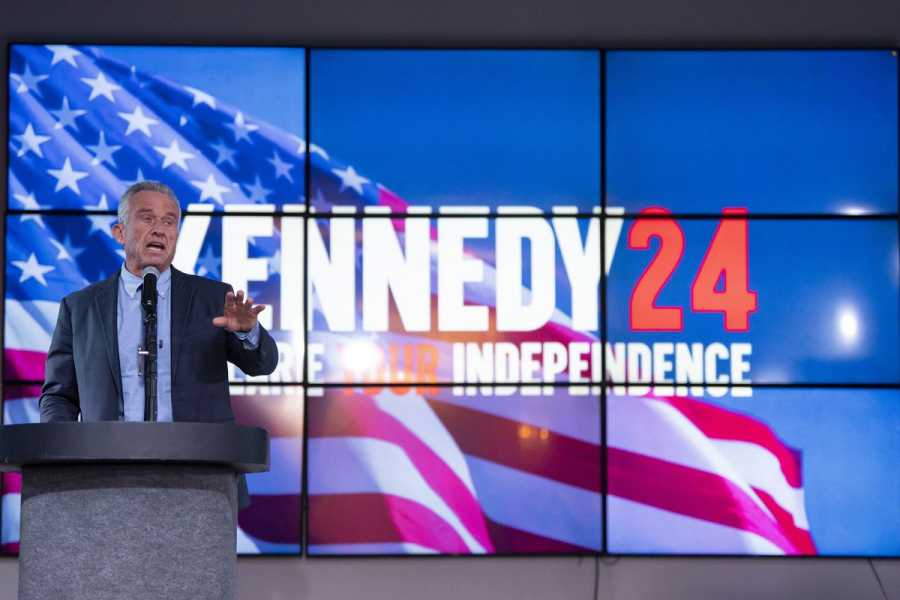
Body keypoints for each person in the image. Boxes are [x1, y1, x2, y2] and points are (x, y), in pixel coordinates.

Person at [39, 180, 279, 507]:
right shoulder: (80, 308)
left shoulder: (212, 298)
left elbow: (262, 364)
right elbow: (59, 395)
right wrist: (63, 456)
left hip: (199, 477)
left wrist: (247, 331)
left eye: (169, 222)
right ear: (120, 232)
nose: (159, 230)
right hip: (105, 477)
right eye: (147, 218)